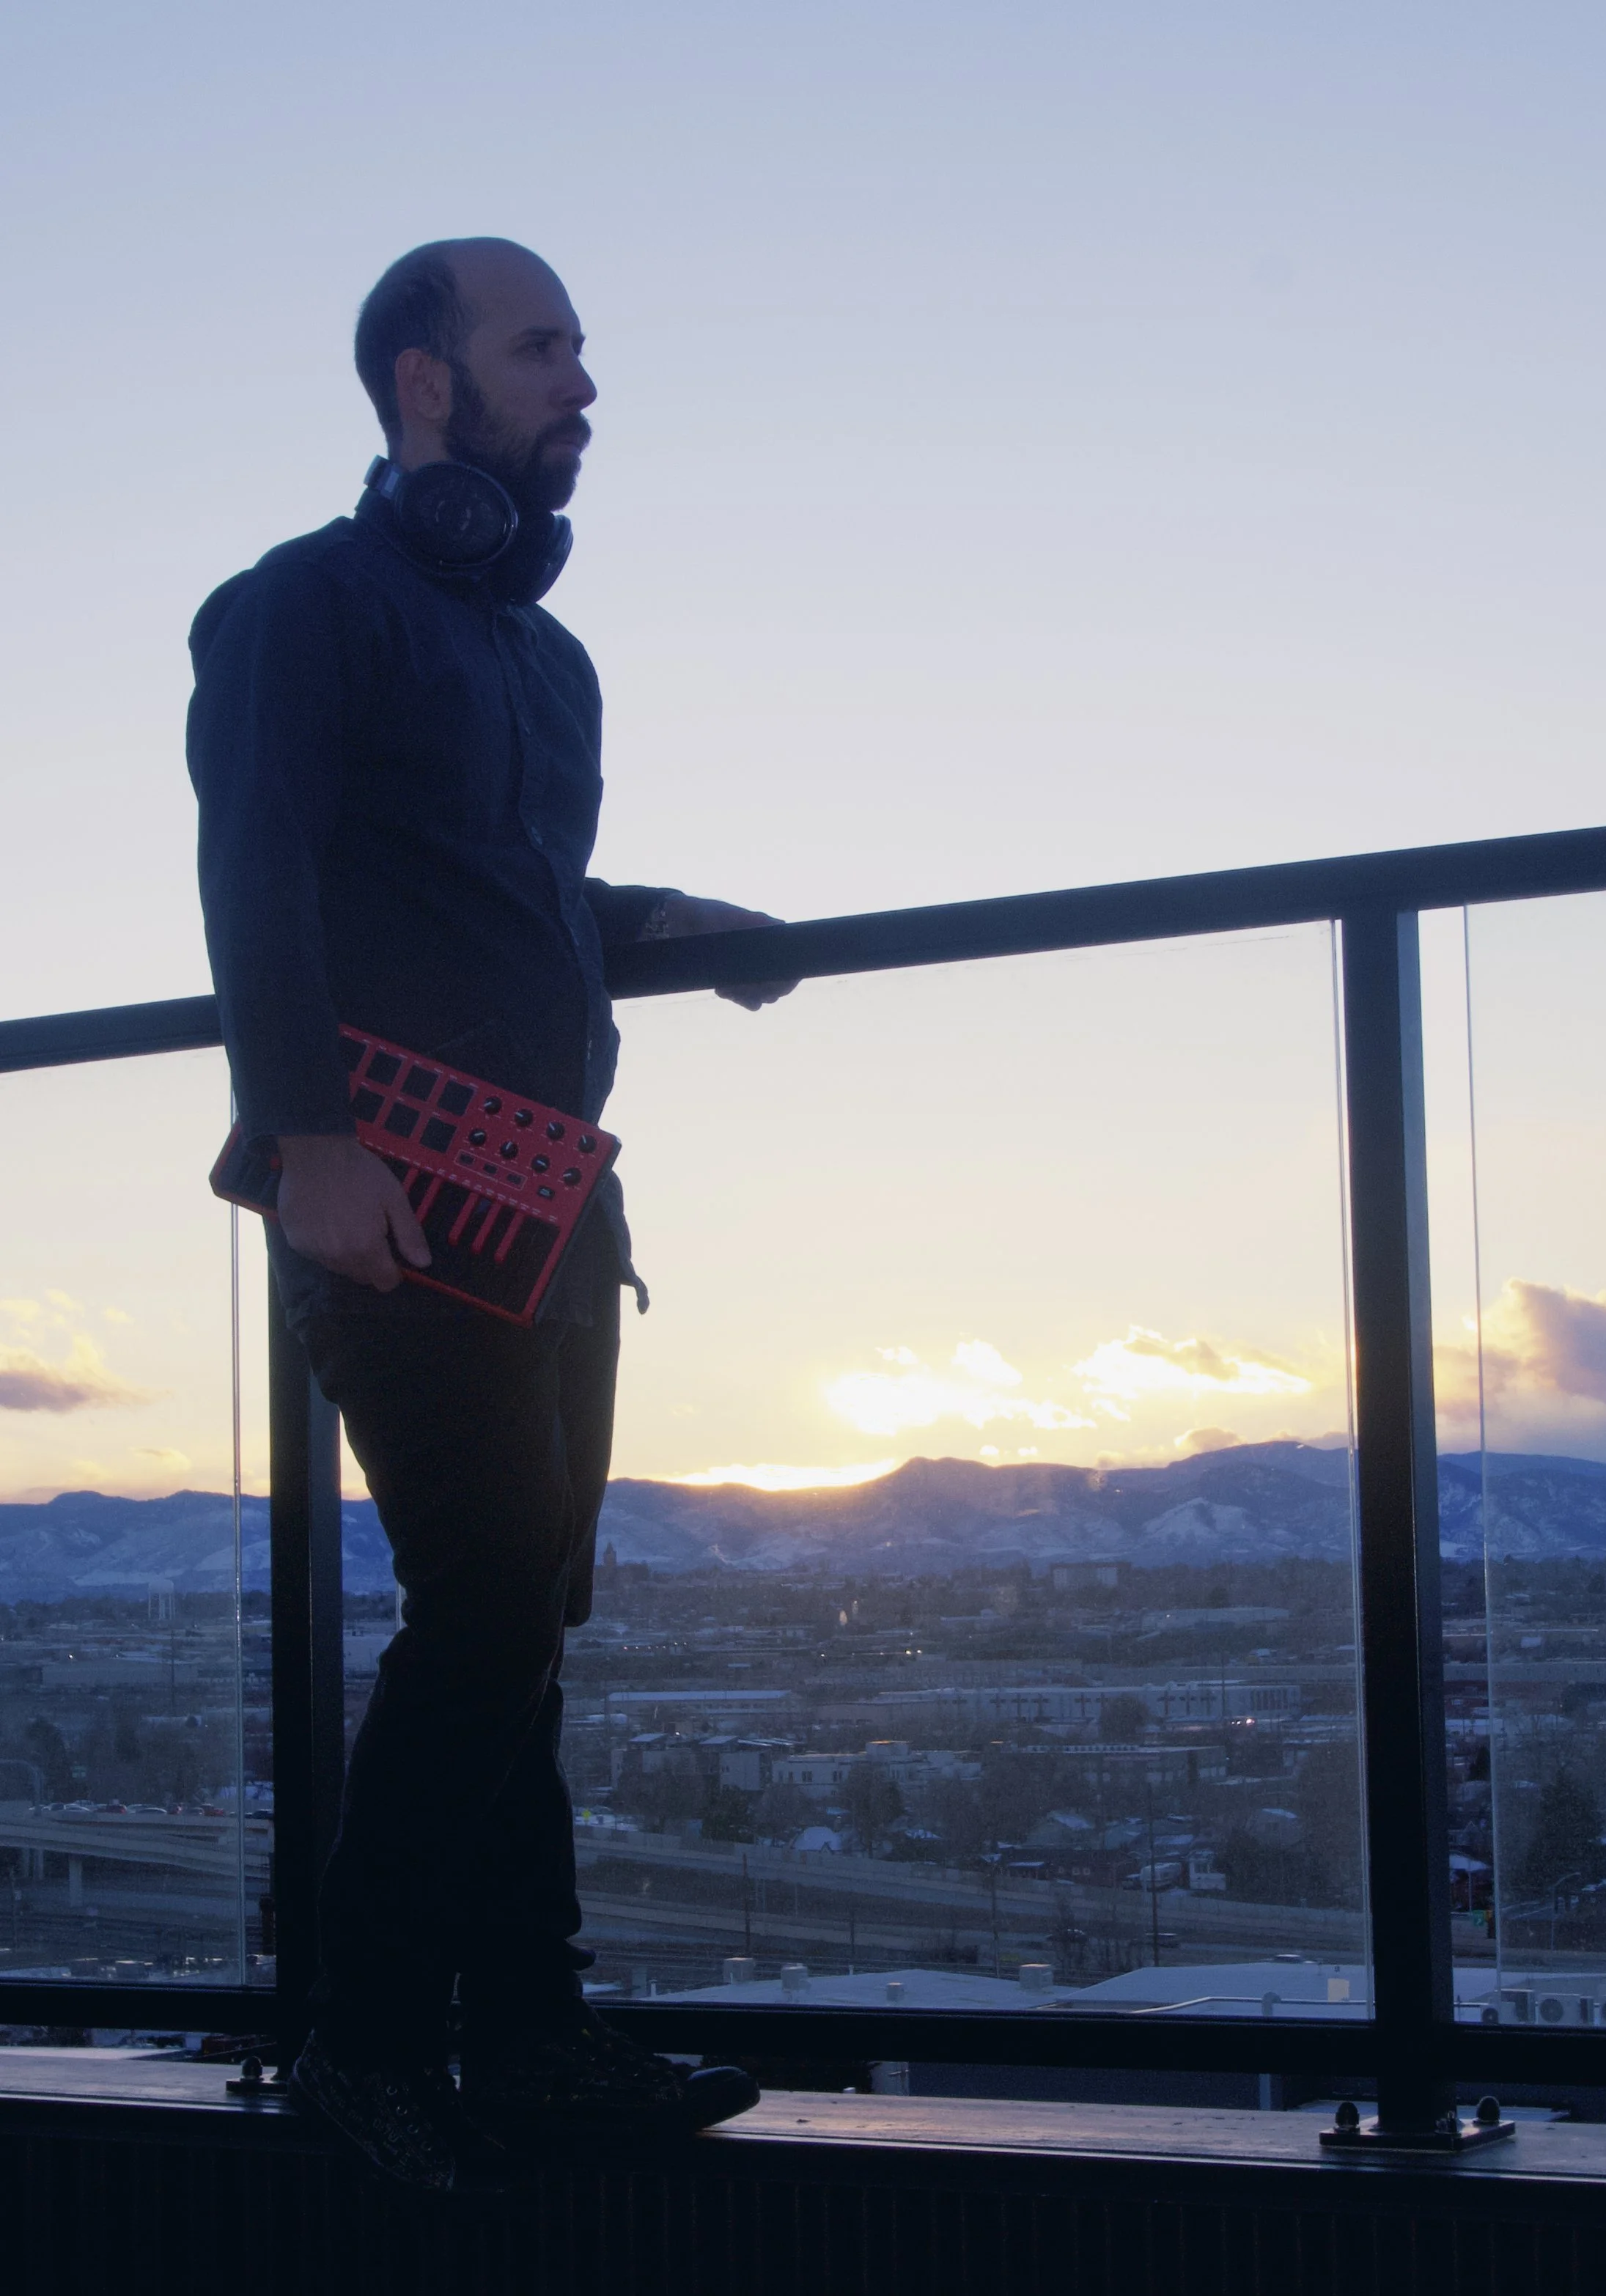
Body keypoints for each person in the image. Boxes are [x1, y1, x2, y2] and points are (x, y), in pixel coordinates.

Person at [187, 238, 789, 2191]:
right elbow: (260, 862)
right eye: (544, 350)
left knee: (527, 1608)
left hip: (549, 1202)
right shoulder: (302, 606)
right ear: (424, 384)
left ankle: (525, 2034)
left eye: (583, 353)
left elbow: (500, 896)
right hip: (390, 1185)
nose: (582, 386)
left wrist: (658, 925)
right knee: (483, 1599)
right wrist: (306, 1136)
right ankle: (372, 2047)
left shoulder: (546, 664)